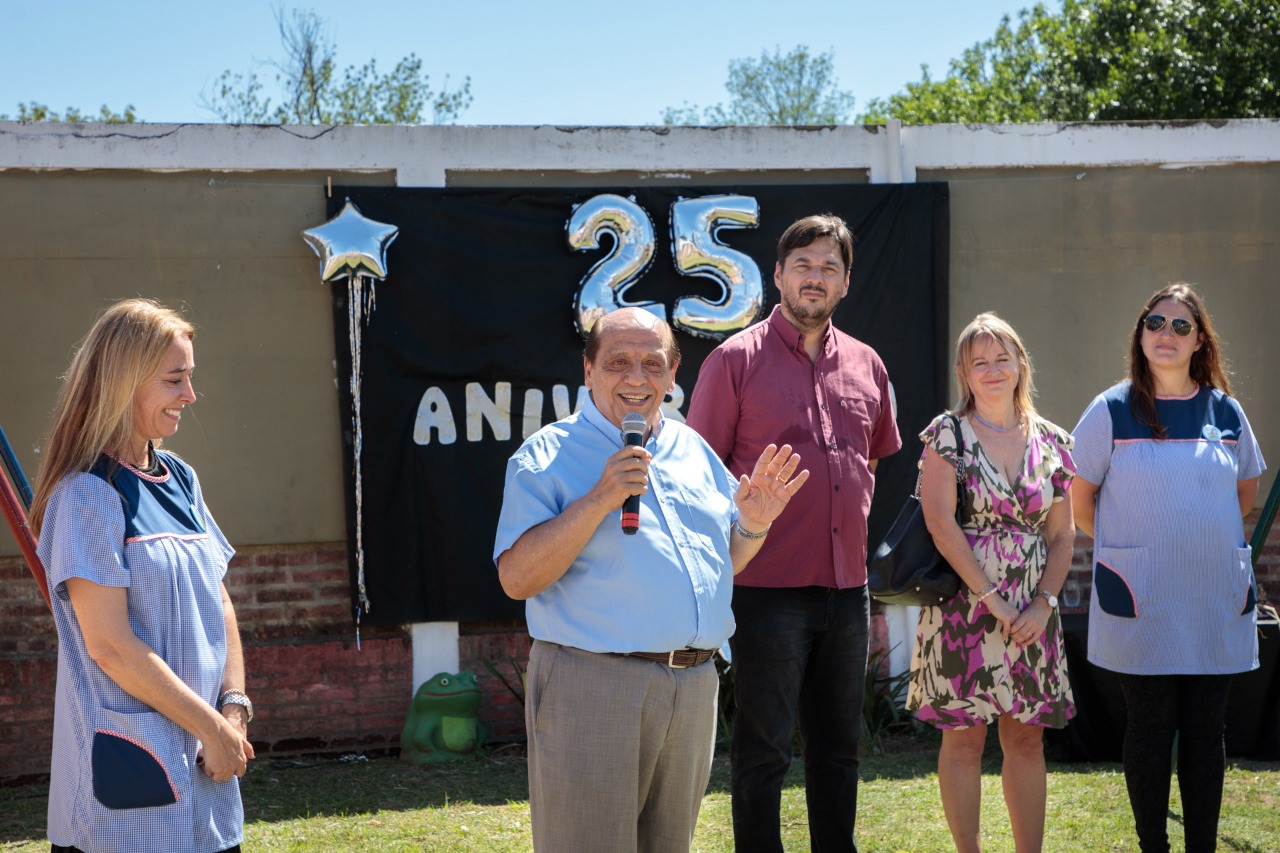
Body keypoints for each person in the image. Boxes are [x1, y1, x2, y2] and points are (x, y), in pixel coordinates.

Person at [493, 307, 809, 853]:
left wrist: (755, 523)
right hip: (593, 685)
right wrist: (599, 498)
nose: (636, 378)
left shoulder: (693, 450)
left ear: (672, 374)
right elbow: (517, 578)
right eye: (618, 362)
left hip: (691, 688)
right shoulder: (546, 455)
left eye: (652, 363)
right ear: (587, 370)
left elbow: (721, 565)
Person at [685, 213, 901, 853]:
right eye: (803, 264)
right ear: (777, 275)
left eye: (829, 267)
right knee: (764, 753)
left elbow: (874, 458)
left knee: (839, 751)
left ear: (845, 283)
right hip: (764, 590)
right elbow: (699, 472)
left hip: (847, 590)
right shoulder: (733, 361)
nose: (815, 277)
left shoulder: (868, 364)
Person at [30, 299, 253, 853]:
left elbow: (219, 602)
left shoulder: (181, 478)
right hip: (126, 799)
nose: (190, 396)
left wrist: (233, 708)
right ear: (123, 382)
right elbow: (109, 646)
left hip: (207, 780)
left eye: (190, 378)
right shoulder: (87, 494)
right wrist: (211, 728)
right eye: (175, 379)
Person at [1071, 284, 1264, 853]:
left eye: (1182, 326)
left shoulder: (1226, 411)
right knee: (1150, 727)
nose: (1167, 335)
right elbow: (1082, 505)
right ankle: (1153, 845)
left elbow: (1243, 495)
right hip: (1142, 596)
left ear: (1200, 340)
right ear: (1140, 334)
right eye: (1156, 323)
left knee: (1207, 728)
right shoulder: (1109, 409)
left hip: (1211, 598)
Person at [908, 312, 1076, 853]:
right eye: (980, 361)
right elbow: (939, 521)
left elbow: (1063, 535)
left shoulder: (1052, 440)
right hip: (965, 608)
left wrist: (1042, 605)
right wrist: (994, 601)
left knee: (1026, 738)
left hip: (1034, 612)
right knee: (964, 738)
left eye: (1003, 357)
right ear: (964, 372)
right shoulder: (947, 434)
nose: (993, 369)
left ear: (1021, 363)